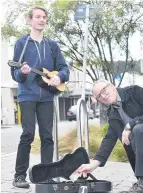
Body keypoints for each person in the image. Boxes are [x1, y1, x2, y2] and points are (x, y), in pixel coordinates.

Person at [10, 6, 69, 188]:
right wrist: (23, 72)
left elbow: (64, 68)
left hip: (47, 97)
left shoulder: (52, 45)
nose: (42, 20)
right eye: (38, 17)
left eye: (44, 17)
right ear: (30, 20)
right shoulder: (22, 43)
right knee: (28, 133)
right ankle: (19, 176)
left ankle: (45, 176)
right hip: (27, 94)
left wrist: (59, 77)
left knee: (47, 137)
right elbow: (15, 73)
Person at [76, 80, 143, 193]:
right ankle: (141, 181)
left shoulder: (134, 92)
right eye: (99, 96)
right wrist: (93, 164)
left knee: (137, 130)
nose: (103, 96)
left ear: (112, 86)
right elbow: (109, 139)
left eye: (103, 90)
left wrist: (131, 124)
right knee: (128, 138)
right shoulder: (112, 113)